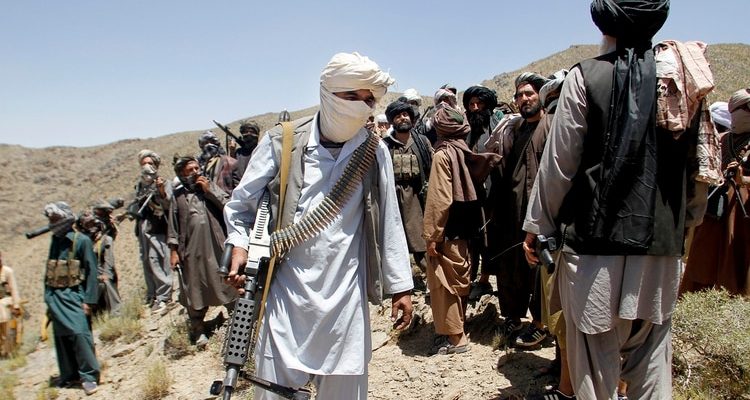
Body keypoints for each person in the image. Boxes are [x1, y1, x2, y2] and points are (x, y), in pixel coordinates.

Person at [522, 1, 707, 399]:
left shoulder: (585, 76)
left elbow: (559, 166)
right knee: (652, 359)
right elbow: (698, 172)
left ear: (605, 27)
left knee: (593, 366)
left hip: (594, 250)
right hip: (660, 249)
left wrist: (538, 226)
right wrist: (684, 227)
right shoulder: (684, 79)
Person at [224, 52, 413, 400]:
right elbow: (240, 206)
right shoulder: (283, 142)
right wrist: (239, 243)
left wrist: (401, 287)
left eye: (368, 99)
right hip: (286, 297)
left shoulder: (373, 151)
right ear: (328, 93)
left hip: (346, 300)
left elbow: (390, 220)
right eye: (351, 96)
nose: (360, 106)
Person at [423, 105, 500, 355]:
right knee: (460, 281)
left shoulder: (443, 155)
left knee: (445, 285)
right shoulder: (464, 151)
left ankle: (455, 338)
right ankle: (458, 329)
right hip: (466, 231)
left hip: (447, 232)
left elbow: (439, 199)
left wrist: (432, 235)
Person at [488, 72, 550, 346]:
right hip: (515, 210)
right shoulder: (515, 129)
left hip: (542, 211)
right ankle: (513, 317)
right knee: (512, 265)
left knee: (539, 268)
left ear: (540, 95)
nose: (524, 99)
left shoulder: (552, 126)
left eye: (529, 94)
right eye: (519, 95)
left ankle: (540, 324)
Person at [681, 88, 750, 296]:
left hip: (741, 213)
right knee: (703, 257)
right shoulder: (721, 139)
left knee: (735, 258)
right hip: (713, 206)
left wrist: (743, 180)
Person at [168, 156, 238, 348]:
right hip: (192, 252)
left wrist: (210, 191)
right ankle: (199, 329)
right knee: (195, 289)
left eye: (196, 168)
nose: (195, 172)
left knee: (226, 283)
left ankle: (237, 322)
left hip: (217, 246)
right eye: (190, 170)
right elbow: (173, 226)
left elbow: (229, 207)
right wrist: (174, 251)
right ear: (182, 174)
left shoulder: (210, 186)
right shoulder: (178, 196)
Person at [43, 202, 100, 395]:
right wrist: (48, 298)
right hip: (55, 297)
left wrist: (89, 301)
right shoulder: (55, 240)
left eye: (55, 219)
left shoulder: (81, 241)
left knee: (80, 334)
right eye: (50, 219)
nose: (52, 223)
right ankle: (69, 375)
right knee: (61, 337)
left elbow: (92, 272)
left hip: (74, 296)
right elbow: (49, 271)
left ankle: (89, 376)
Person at [382, 100, 433, 275]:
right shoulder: (385, 145)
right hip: (393, 200)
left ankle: (430, 277)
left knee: (420, 241)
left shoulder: (422, 142)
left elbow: (432, 166)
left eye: (405, 114)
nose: (403, 118)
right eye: (398, 116)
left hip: (418, 199)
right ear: (392, 121)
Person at [130, 150, 173, 314]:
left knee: (158, 260)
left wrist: (160, 191)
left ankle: (164, 296)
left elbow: (168, 204)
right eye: (143, 164)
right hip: (143, 228)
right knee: (147, 260)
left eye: (150, 163)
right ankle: (153, 294)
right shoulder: (140, 185)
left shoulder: (163, 182)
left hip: (158, 228)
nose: (146, 166)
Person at [77, 211, 122, 316]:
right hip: (89, 275)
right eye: (87, 224)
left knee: (107, 283)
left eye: (92, 222)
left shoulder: (105, 239)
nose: (91, 226)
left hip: (103, 273)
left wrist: (105, 275)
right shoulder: (83, 241)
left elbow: (109, 261)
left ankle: (116, 313)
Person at [0, 251, 22, 357]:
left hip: (6, 299)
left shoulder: (8, 271)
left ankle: (8, 349)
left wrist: (16, 305)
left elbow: (14, 289)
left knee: (1, 308)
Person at [231, 120, 262, 187]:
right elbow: (233, 171)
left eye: (252, 132)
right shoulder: (238, 153)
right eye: (246, 132)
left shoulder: (262, 151)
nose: (249, 134)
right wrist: (232, 151)